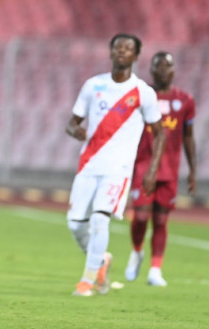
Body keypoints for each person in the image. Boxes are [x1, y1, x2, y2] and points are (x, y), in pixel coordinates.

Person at [64, 33, 165, 297]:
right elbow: (72, 122)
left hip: (117, 170)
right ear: (110, 52)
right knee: (75, 224)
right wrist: (75, 131)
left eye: (128, 48)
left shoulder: (143, 92)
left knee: (99, 220)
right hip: (88, 164)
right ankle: (101, 260)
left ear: (136, 55)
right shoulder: (93, 85)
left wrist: (153, 169)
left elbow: (159, 131)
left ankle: (87, 281)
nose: (122, 51)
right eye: (117, 47)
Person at [125, 51, 197, 287]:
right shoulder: (143, 97)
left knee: (161, 221)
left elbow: (188, 137)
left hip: (170, 170)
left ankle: (155, 270)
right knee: (141, 217)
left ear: (174, 70)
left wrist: (193, 170)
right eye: (160, 65)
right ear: (152, 70)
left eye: (169, 65)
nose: (164, 70)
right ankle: (137, 251)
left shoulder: (185, 100)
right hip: (143, 168)